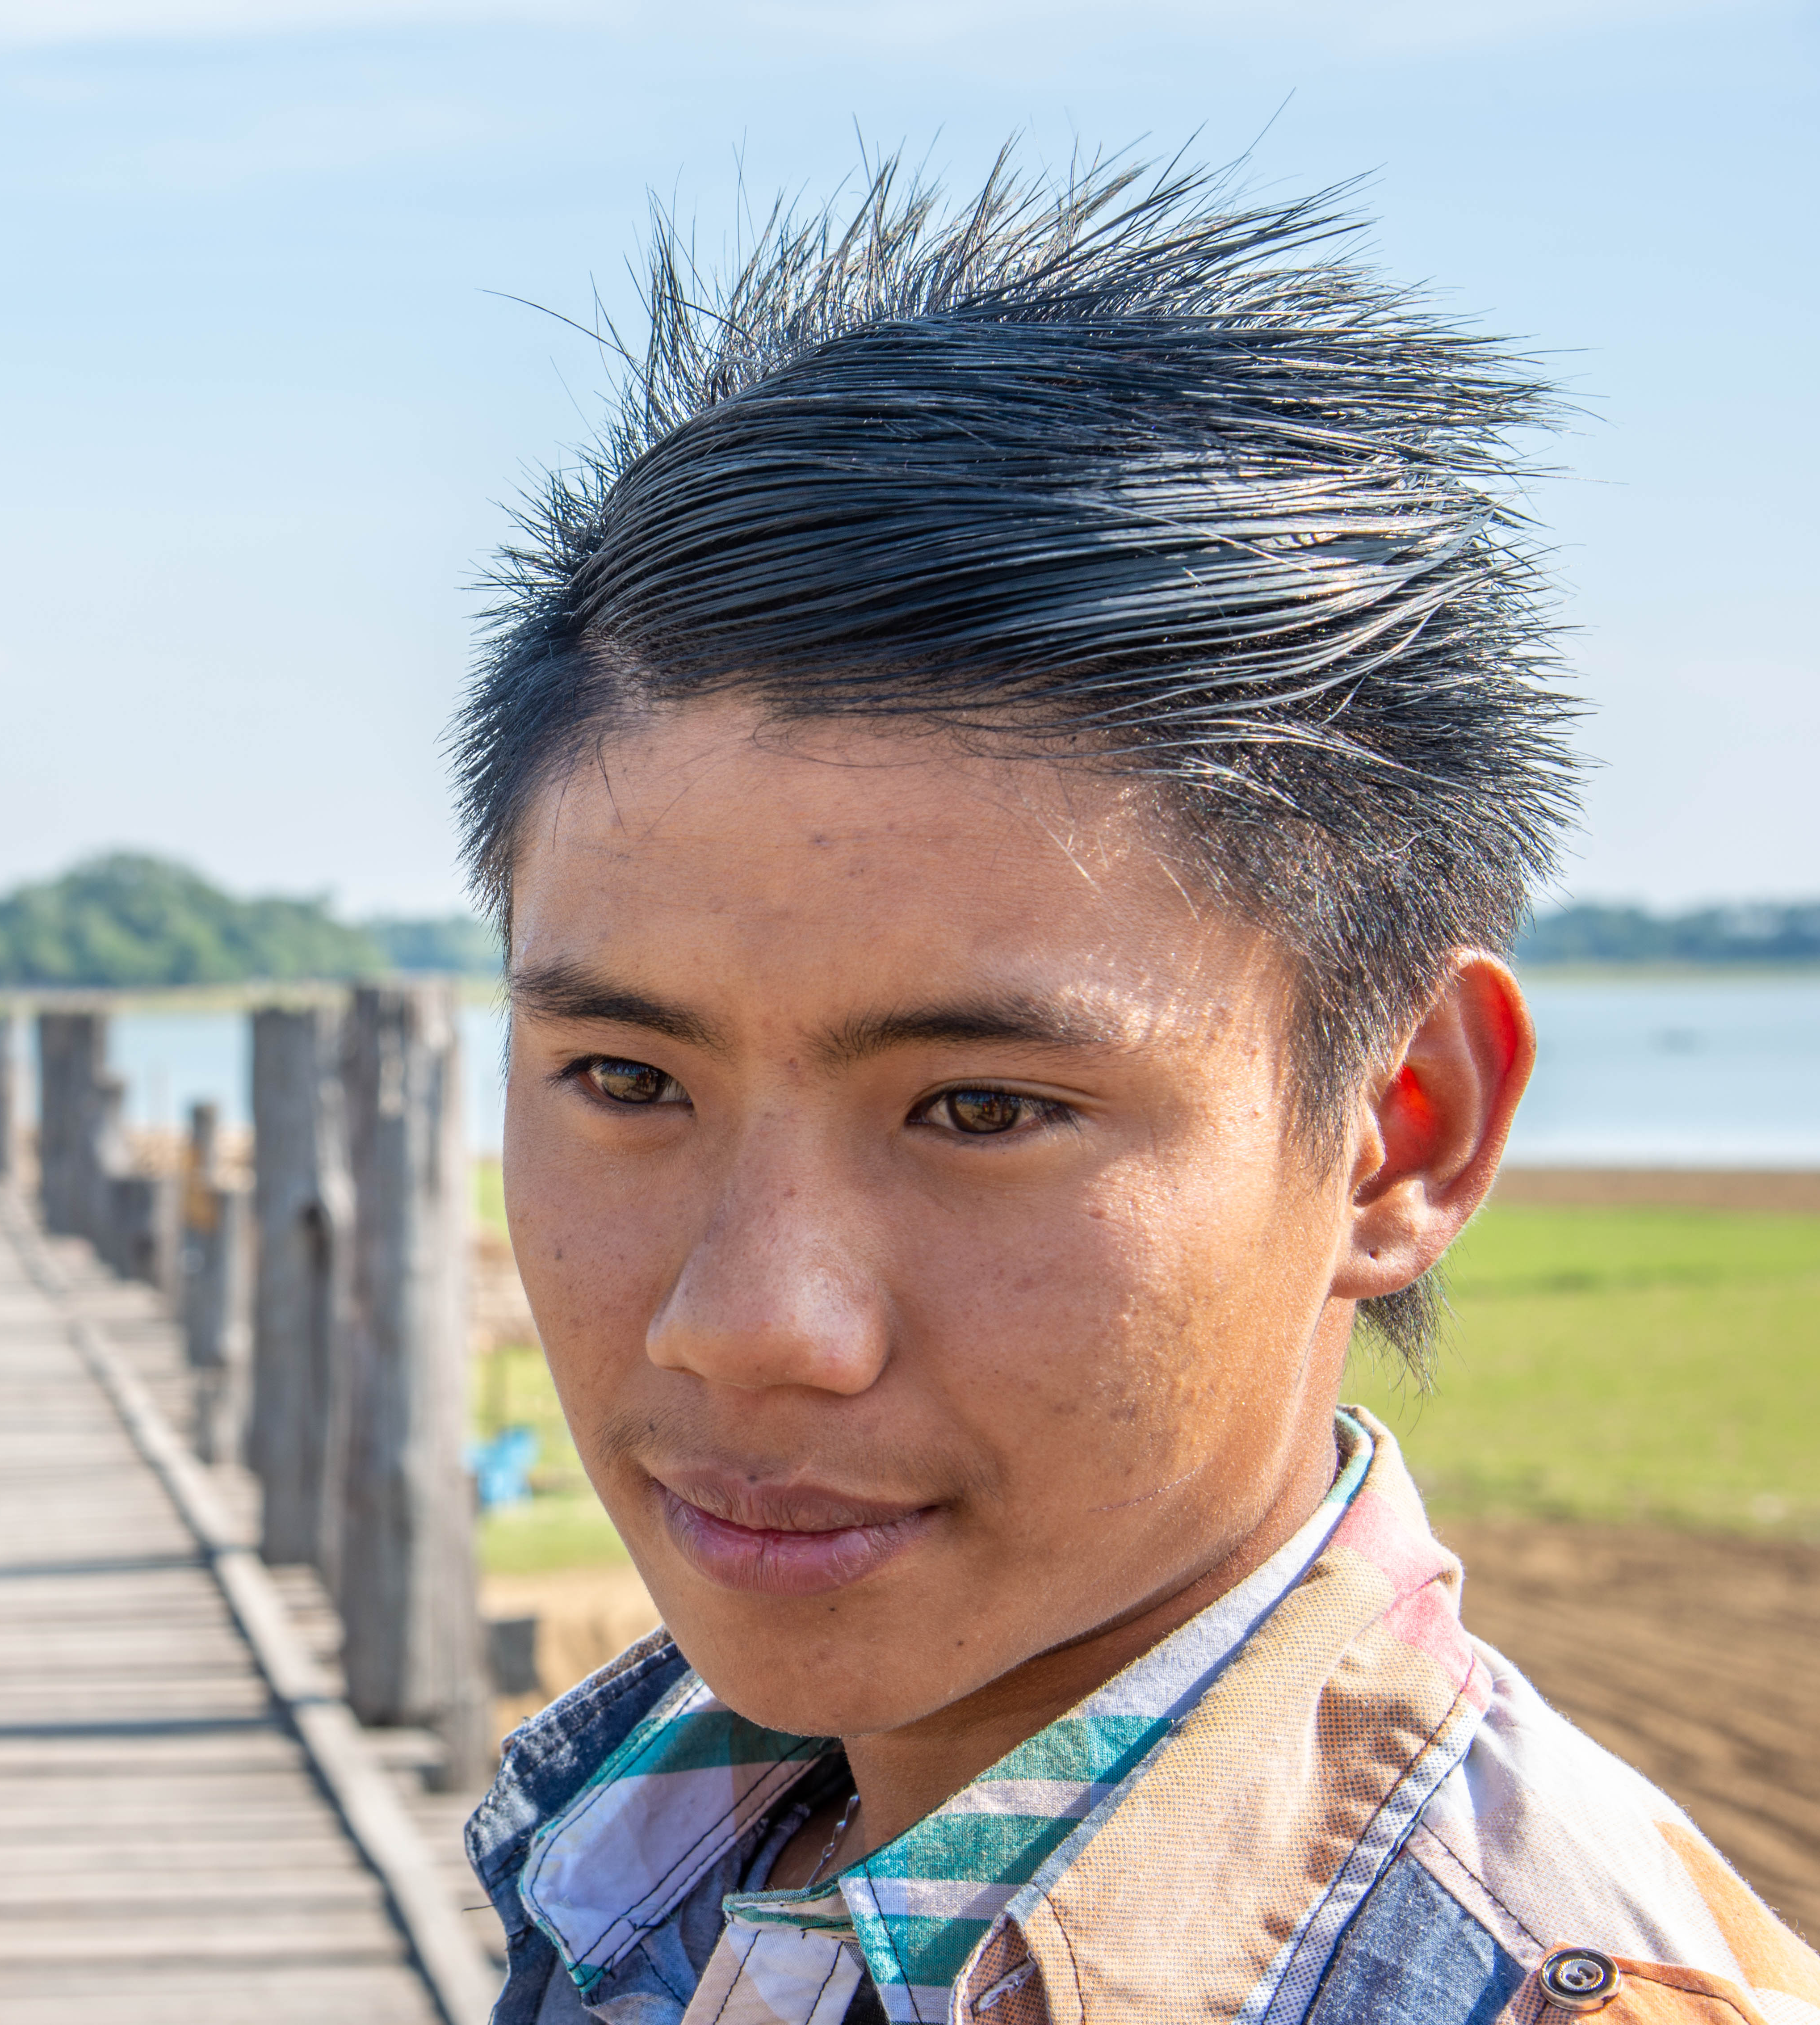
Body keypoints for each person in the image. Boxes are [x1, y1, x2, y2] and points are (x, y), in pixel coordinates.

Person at [454, 157, 1820, 2025]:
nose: (745, 1326)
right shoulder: (648, 1845)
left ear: (1394, 1127)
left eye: (979, 1109)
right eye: (621, 1074)